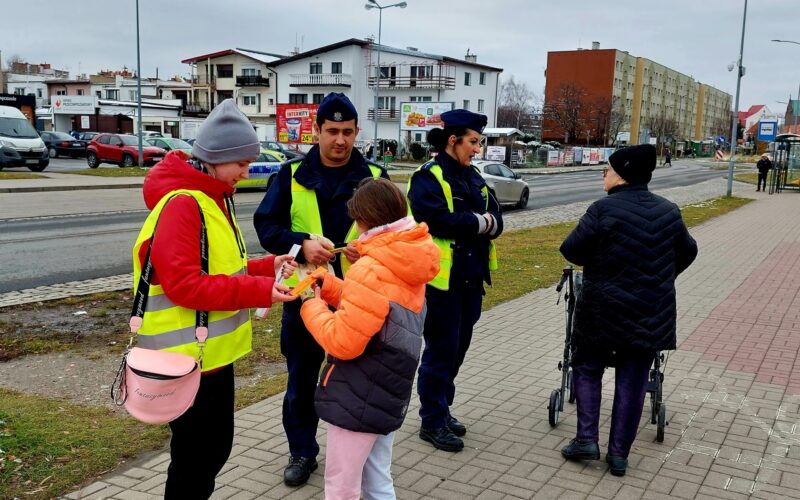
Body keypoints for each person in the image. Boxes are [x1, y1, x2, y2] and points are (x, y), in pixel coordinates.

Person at [131, 98, 298, 499]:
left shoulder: (212, 198)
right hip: (185, 359)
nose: (246, 170)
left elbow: (227, 271)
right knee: (196, 459)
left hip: (208, 357)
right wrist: (260, 290)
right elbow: (185, 286)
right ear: (213, 158)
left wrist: (272, 266)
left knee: (207, 454)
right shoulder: (184, 205)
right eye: (240, 162)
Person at [253, 92, 389, 487]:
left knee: (358, 380)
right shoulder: (289, 175)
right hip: (307, 297)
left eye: (348, 132)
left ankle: (356, 459)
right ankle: (302, 451)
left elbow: (397, 232)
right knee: (301, 378)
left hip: (360, 297)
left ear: (357, 131)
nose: (340, 140)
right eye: (332, 131)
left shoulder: (375, 179)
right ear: (316, 132)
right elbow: (267, 228)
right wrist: (300, 244)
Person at [559, 144, 697, 477]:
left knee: (588, 367)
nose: (603, 175)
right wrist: (663, 276)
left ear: (622, 174)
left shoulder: (602, 210)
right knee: (634, 381)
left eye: (606, 170)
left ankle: (586, 440)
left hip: (601, 310)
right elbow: (689, 251)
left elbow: (571, 250)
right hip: (650, 311)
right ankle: (619, 456)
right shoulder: (669, 211)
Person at [299, 177, 439, 499]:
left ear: (366, 221)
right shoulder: (406, 258)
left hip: (358, 392)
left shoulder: (371, 268)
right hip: (388, 387)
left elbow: (342, 342)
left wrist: (311, 307)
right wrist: (331, 287)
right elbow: (378, 304)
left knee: (342, 485)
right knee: (377, 478)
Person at [407, 109, 503, 452]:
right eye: (473, 142)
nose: (477, 149)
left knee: (458, 350)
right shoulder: (427, 177)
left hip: (472, 278)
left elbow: (499, 219)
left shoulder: (474, 176)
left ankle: (442, 409)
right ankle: (431, 420)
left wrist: (475, 221)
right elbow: (436, 221)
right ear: (453, 140)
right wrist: (481, 223)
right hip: (441, 282)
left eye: (480, 142)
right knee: (441, 350)